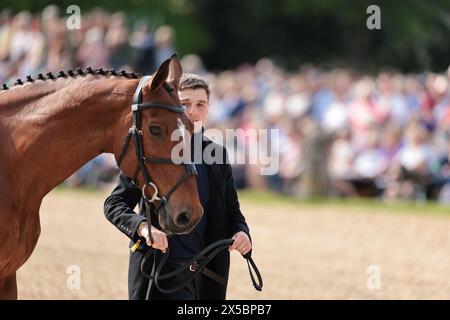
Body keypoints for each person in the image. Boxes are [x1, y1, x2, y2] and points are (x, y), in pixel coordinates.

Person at [104, 73, 252, 300]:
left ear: (208, 108)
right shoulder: (151, 151)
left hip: (206, 276)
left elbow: (232, 212)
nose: (193, 111)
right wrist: (143, 228)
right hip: (158, 272)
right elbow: (114, 203)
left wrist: (242, 232)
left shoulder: (217, 155)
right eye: (185, 104)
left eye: (200, 104)